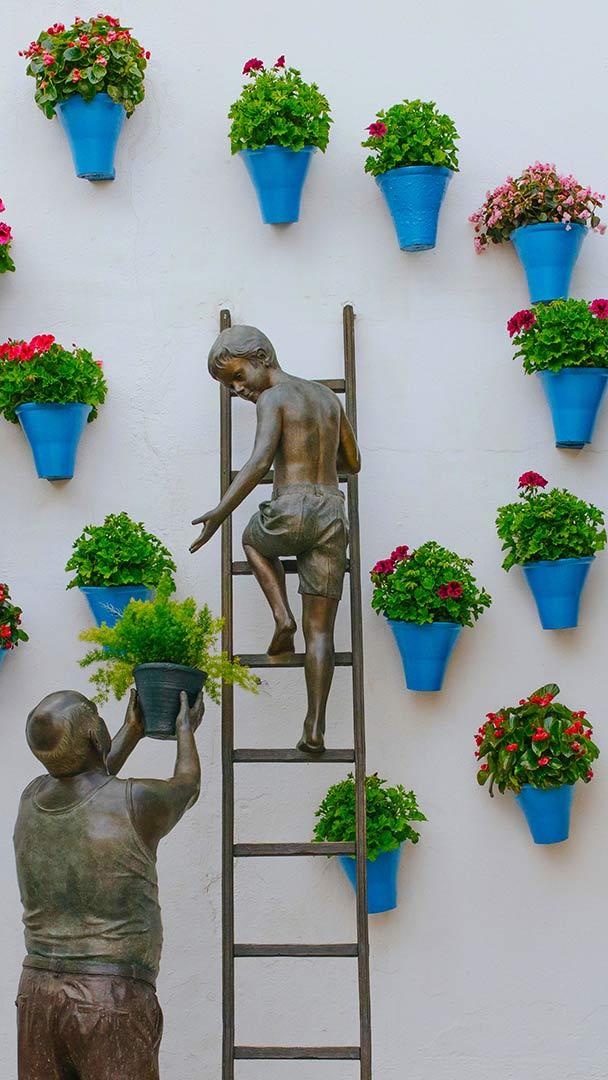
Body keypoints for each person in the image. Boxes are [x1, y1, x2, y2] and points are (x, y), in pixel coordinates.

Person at [13, 685, 204, 1080]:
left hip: (37, 994)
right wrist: (186, 729)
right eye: (96, 715)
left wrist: (130, 732)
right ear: (94, 735)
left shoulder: (31, 798)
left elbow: (86, 781)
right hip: (110, 997)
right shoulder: (137, 801)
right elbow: (187, 787)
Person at [190, 324, 361, 753]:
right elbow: (353, 462)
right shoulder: (328, 398)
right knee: (320, 631)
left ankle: (282, 616)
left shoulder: (273, 398)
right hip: (332, 511)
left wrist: (219, 511)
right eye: (228, 386)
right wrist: (318, 455)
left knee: (251, 538)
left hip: (291, 505)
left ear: (261, 358)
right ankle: (314, 727)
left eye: (237, 376)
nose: (236, 389)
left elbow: (259, 461)